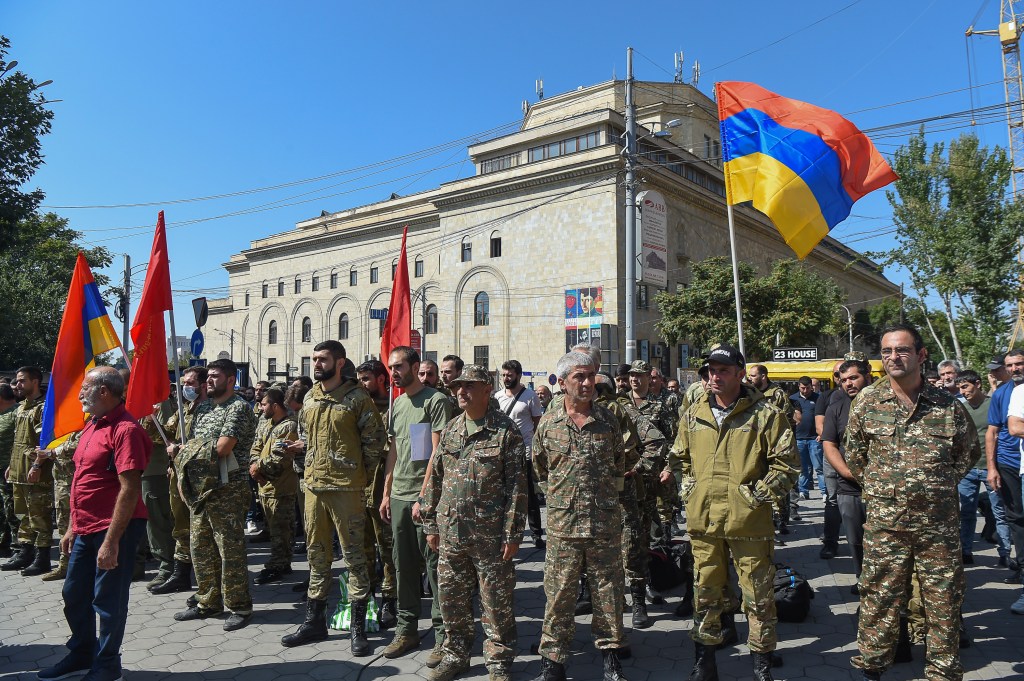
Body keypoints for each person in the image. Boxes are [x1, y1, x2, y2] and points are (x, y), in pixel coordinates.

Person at [846, 324, 977, 681]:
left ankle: (943, 671)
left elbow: (967, 454)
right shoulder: (867, 403)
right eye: (887, 351)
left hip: (938, 525)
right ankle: (873, 667)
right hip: (887, 525)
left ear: (920, 355)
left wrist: (934, 485)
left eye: (901, 350)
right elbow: (856, 456)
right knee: (878, 598)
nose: (893, 357)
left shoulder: (948, 406)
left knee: (944, 601)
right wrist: (884, 489)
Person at [671, 344, 798, 681]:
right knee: (706, 594)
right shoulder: (694, 413)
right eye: (711, 370)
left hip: (749, 523)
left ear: (741, 374)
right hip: (704, 522)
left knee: (758, 597)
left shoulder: (766, 414)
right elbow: (679, 458)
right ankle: (705, 662)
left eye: (723, 370)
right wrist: (690, 488)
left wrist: (754, 495)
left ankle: (762, 664)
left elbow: (787, 466)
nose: (715, 376)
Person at [36, 367, 151, 681]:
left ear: (104, 391)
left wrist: (112, 541)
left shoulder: (125, 430)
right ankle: (83, 653)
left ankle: (108, 664)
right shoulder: (92, 425)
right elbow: (82, 480)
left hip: (115, 529)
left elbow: (129, 488)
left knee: (108, 600)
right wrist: (73, 526)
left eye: (85, 388)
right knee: (74, 594)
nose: (79, 394)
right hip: (86, 527)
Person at [422, 365, 527, 681]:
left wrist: (513, 533)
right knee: (452, 600)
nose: (461, 391)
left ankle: (498, 662)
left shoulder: (505, 432)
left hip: (491, 538)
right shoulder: (452, 428)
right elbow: (435, 477)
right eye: (457, 386)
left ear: (486, 389)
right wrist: (430, 524)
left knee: (496, 603)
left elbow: (518, 488)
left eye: (469, 385)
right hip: (451, 533)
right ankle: (456, 655)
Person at [282, 341, 385, 655]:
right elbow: (304, 438)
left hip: (347, 490)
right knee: (317, 556)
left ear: (339, 363)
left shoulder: (357, 399)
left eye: (322, 359)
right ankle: (315, 621)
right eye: (314, 358)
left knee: (354, 558)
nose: (316, 363)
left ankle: (357, 626)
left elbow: (374, 444)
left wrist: (357, 478)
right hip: (314, 489)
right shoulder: (311, 396)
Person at [532, 351, 628, 681]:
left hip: (603, 523)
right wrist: (562, 499)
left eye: (592, 376)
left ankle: (611, 658)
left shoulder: (607, 421)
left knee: (609, 593)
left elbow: (619, 465)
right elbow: (540, 467)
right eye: (580, 377)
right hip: (563, 526)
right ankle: (553, 662)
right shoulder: (548, 422)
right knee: (559, 595)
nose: (589, 383)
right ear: (562, 382)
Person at [379, 346, 452, 664]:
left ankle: (442, 636)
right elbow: (394, 451)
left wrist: (425, 497)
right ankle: (406, 631)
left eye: (398, 367)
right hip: (399, 498)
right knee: (403, 566)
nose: (393, 373)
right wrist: (386, 492)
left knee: (435, 570)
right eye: (390, 368)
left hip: (426, 500)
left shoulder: (435, 401)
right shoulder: (397, 405)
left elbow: (435, 454)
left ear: (413, 366)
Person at [173, 359, 258, 631]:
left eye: (215, 376)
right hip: (202, 489)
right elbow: (197, 444)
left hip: (228, 490)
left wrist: (183, 452)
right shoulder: (204, 407)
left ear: (231, 380)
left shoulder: (238, 409)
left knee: (229, 549)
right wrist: (186, 453)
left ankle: (239, 606)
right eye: (207, 376)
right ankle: (208, 601)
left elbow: (223, 447)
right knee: (200, 547)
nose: (208, 381)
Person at [152, 367, 206, 596]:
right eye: (184, 383)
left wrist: (180, 449)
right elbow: (161, 434)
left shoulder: (211, 410)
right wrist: (150, 416)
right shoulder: (184, 410)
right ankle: (181, 575)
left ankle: (208, 581)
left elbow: (209, 445)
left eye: (190, 383)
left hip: (201, 478)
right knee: (181, 526)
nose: (186, 387)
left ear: (203, 385)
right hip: (178, 475)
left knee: (202, 530)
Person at [820, 359, 872, 593]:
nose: (848, 383)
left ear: (867, 375)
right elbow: (829, 443)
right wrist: (847, 472)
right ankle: (863, 580)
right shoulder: (836, 407)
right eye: (843, 380)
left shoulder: (883, 402)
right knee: (856, 541)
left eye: (853, 378)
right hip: (849, 487)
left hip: (883, 487)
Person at [355, 359, 398, 629]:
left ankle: (390, 599)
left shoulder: (394, 408)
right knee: (363, 549)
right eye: (360, 378)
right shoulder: (359, 408)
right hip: (360, 489)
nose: (362, 384)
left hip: (384, 489)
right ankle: (366, 599)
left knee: (388, 550)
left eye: (367, 378)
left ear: (382, 379)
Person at [2, 366, 53, 575]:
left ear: (35, 382)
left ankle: (42, 559)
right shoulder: (22, 407)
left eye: (22, 380)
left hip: (35, 472)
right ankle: (25, 552)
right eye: (17, 380)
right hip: (18, 471)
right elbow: (18, 441)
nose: (18, 384)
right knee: (22, 514)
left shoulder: (44, 408)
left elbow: (45, 443)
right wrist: (10, 466)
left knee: (39, 515)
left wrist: (37, 465)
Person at [249, 388, 299, 585]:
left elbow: (280, 458)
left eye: (264, 404)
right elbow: (255, 447)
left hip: (281, 488)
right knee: (273, 528)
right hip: (264, 487)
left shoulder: (289, 427)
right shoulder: (265, 424)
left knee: (281, 531)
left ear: (275, 406)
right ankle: (279, 562)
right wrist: (255, 466)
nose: (261, 408)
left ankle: (279, 564)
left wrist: (258, 468)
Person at [956, 370, 1007, 566]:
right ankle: (966, 551)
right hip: (968, 469)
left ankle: (1004, 553)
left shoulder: (992, 404)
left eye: (966, 386)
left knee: (998, 512)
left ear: (977, 384)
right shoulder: (961, 407)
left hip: (991, 467)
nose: (963, 391)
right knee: (967, 512)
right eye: (960, 388)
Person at [496, 359, 545, 549]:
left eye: (509, 375)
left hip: (524, 451)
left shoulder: (530, 396)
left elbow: (537, 424)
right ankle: (505, 532)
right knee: (503, 494)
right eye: (504, 375)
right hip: (502, 452)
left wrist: (534, 449)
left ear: (518, 375)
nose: (506, 378)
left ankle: (535, 533)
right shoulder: (498, 396)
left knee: (529, 496)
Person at [987, 349, 1024, 586]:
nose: (1014, 369)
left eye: (1019, 364)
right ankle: (1021, 567)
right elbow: (993, 432)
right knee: (1015, 517)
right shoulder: (1002, 393)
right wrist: (992, 468)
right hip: (1009, 462)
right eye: (1009, 366)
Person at [789, 376, 823, 500]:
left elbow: (823, 417)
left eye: (808, 388)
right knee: (802, 467)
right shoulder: (792, 399)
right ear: (799, 386)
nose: (805, 390)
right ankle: (803, 491)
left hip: (814, 438)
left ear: (811, 387)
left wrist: (821, 434)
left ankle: (824, 492)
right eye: (802, 388)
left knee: (819, 467)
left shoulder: (818, 398)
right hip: (798, 438)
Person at [0, 383, 19, 558]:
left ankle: (17, 546)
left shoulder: (16, 413)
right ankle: (3, 543)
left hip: (9, 470)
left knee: (11, 509)